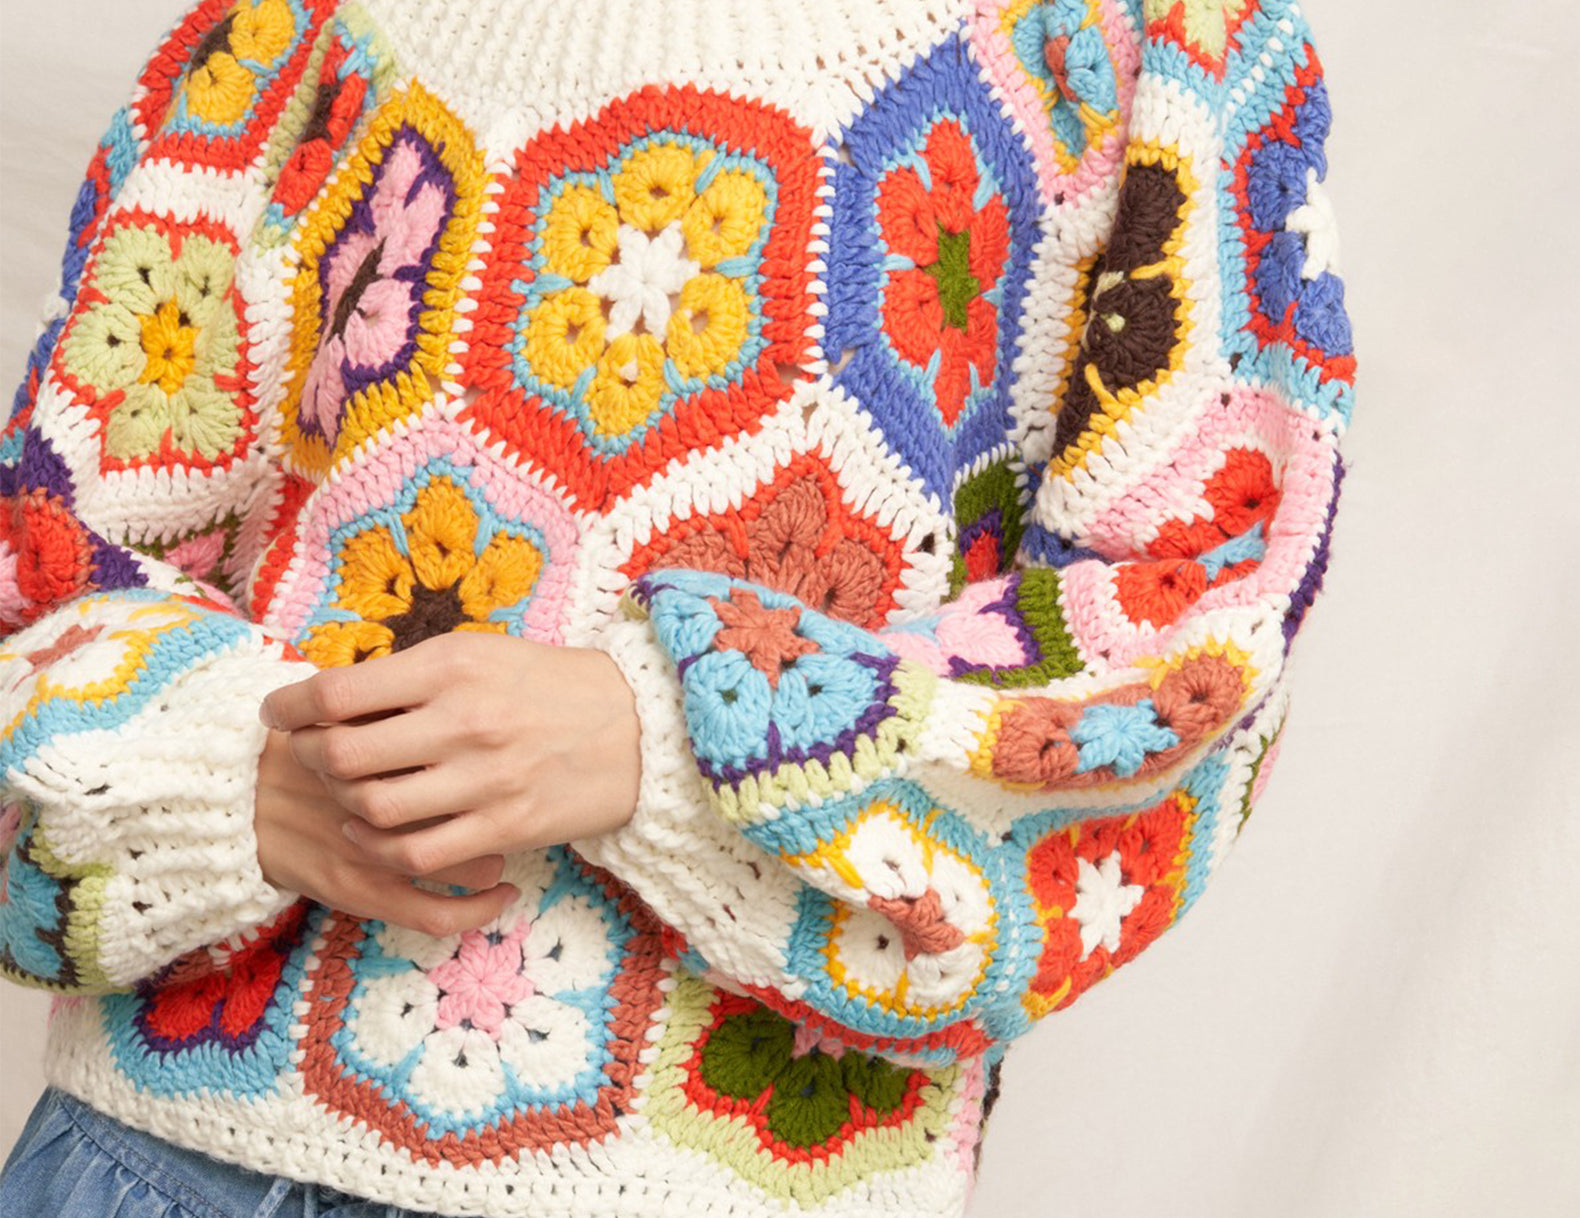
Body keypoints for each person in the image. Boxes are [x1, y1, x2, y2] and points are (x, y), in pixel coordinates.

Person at [0, 1, 1355, 1215]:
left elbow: (1189, 646)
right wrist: (225, 783)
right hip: (159, 1159)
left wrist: (672, 734)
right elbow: (46, 562)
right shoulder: (291, 40)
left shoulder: (1138, 56)